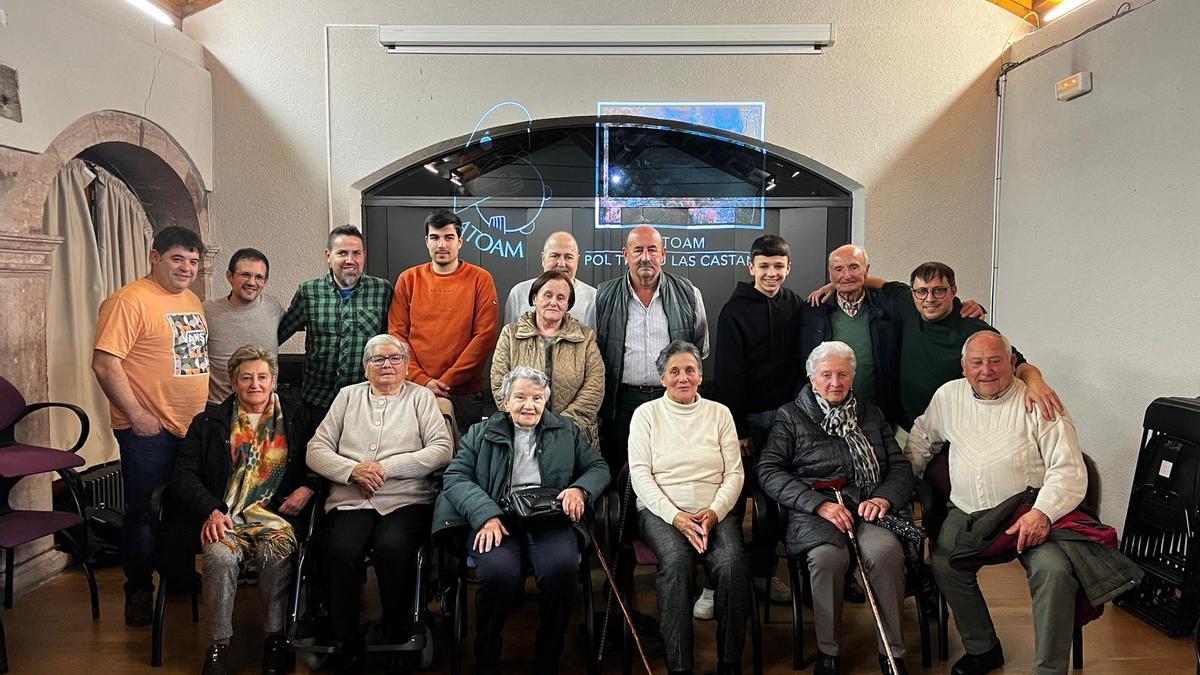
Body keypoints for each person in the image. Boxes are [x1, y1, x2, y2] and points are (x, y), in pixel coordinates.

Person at [906, 331, 1090, 675]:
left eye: (995, 361)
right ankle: (983, 648)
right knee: (945, 564)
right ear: (964, 367)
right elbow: (920, 440)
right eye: (976, 362)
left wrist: (1043, 513)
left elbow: (1068, 468)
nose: (986, 370)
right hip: (967, 512)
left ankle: (1050, 669)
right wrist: (901, 487)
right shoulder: (948, 396)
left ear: (1013, 363)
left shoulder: (1039, 400)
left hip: (1029, 511)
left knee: (1055, 571)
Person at [433, 366, 610, 675]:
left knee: (561, 569)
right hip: (497, 518)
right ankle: (486, 650)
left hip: (550, 518)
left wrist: (579, 490)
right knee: (498, 573)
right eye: (521, 397)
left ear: (546, 401)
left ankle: (549, 653)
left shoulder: (565, 430)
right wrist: (485, 515)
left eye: (537, 398)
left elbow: (598, 467)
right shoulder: (481, 432)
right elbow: (456, 476)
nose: (530, 405)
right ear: (505, 401)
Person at [757, 341, 915, 675]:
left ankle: (892, 651)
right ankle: (829, 650)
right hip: (815, 510)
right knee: (828, 559)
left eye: (842, 374)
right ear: (812, 379)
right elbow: (768, 471)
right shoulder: (791, 416)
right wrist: (818, 506)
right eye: (826, 374)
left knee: (885, 552)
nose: (835, 382)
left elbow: (899, 466)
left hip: (868, 507)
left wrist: (883, 498)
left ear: (852, 377)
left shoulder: (870, 413)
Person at [306, 335, 453, 674]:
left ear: (405, 364)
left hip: (406, 499)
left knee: (393, 548)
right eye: (378, 359)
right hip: (350, 499)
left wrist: (387, 469)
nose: (387, 364)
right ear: (366, 366)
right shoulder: (347, 397)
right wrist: (352, 470)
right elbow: (316, 449)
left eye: (395, 358)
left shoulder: (421, 398)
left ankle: (397, 633)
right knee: (339, 548)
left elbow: (441, 449)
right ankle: (344, 640)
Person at [170, 345, 318, 675]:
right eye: (246, 377)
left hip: (276, 515)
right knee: (220, 558)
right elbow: (183, 475)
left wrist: (308, 486)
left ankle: (275, 639)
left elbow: (319, 459)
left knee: (275, 554)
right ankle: (218, 646)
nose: (255, 384)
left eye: (262, 377)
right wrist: (211, 510)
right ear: (233, 383)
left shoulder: (297, 416)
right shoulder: (209, 422)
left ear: (274, 381)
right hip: (224, 516)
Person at [92, 225, 209, 626]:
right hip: (148, 431)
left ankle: (176, 579)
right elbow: (105, 363)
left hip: (189, 428)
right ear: (154, 257)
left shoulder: (191, 299)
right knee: (143, 513)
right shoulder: (128, 301)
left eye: (193, 261)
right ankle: (139, 591)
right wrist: (138, 416)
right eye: (178, 258)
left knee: (180, 510)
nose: (186, 268)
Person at [628, 340, 749, 675]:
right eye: (674, 371)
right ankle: (679, 666)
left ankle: (729, 663)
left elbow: (734, 472)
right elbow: (640, 474)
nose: (683, 377)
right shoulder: (646, 415)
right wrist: (676, 516)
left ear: (700, 375)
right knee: (677, 563)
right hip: (661, 512)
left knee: (731, 562)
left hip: (714, 510)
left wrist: (714, 512)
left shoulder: (719, 413)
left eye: (690, 370)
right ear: (662, 377)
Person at [712, 233, 805, 608]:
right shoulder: (734, 310)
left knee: (776, 499)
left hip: (787, 420)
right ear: (751, 268)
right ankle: (724, 577)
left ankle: (765, 571)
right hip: (747, 421)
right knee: (734, 500)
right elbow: (728, 374)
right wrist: (738, 429)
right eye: (764, 266)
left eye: (778, 267)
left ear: (788, 267)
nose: (771, 273)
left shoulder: (795, 304)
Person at [589, 225, 709, 471]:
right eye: (638, 250)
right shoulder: (602, 296)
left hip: (672, 399)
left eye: (652, 250)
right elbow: (591, 352)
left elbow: (699, 348)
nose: (646, 257)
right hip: (621, 402)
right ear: (626, 254)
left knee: (670, 469)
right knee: (622, 470)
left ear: (663, 254)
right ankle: (623, 512)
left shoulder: (688, 294)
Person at [388, 209, 500, 434]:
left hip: (465, 393)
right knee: (416, 460)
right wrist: (422, 380)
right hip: (415, 388)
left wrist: (447, 381)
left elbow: (485, 336)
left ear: (460, 241)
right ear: (426, 241)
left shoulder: (480, 279)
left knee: (465, 461)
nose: (442, 244)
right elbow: (397, 334)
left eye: (448, 238)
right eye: (435, 237)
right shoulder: (409, 279)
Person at [278, 225, 393, 427]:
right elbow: (277, 335)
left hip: (366, 401)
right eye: (342, 253)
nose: (350, 260)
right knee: (314, 458)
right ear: (328, 256)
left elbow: (395, 338)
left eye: (356, 253)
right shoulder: (308, 292)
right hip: (317, 403)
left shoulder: (382, 290)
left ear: (364, 255)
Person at [491, 270, 604, 446]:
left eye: (561, 298)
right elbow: (500, 383)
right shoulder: (510, 335)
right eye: (547, 295)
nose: (553, 302)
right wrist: (527, 419)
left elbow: (594, 388)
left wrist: (561, 427)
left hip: (573, 436)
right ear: (534, 298)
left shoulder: (586, 337)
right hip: (521, 435)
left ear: (568, 304)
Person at [204, 248, 284, 404]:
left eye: (259, 277)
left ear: (265, 282)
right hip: (219, 409)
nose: (252, 282)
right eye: (245, 275)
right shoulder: (207, 311)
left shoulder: (273, 306)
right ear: (229, 276)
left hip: (264, 408)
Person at [503, 231, 597, 326]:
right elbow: (508, 336)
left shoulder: (593, 297)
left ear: (577, 261)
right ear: (543, 259)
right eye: (554, 256)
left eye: (568, 257)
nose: (561, 263)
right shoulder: (519, 292)